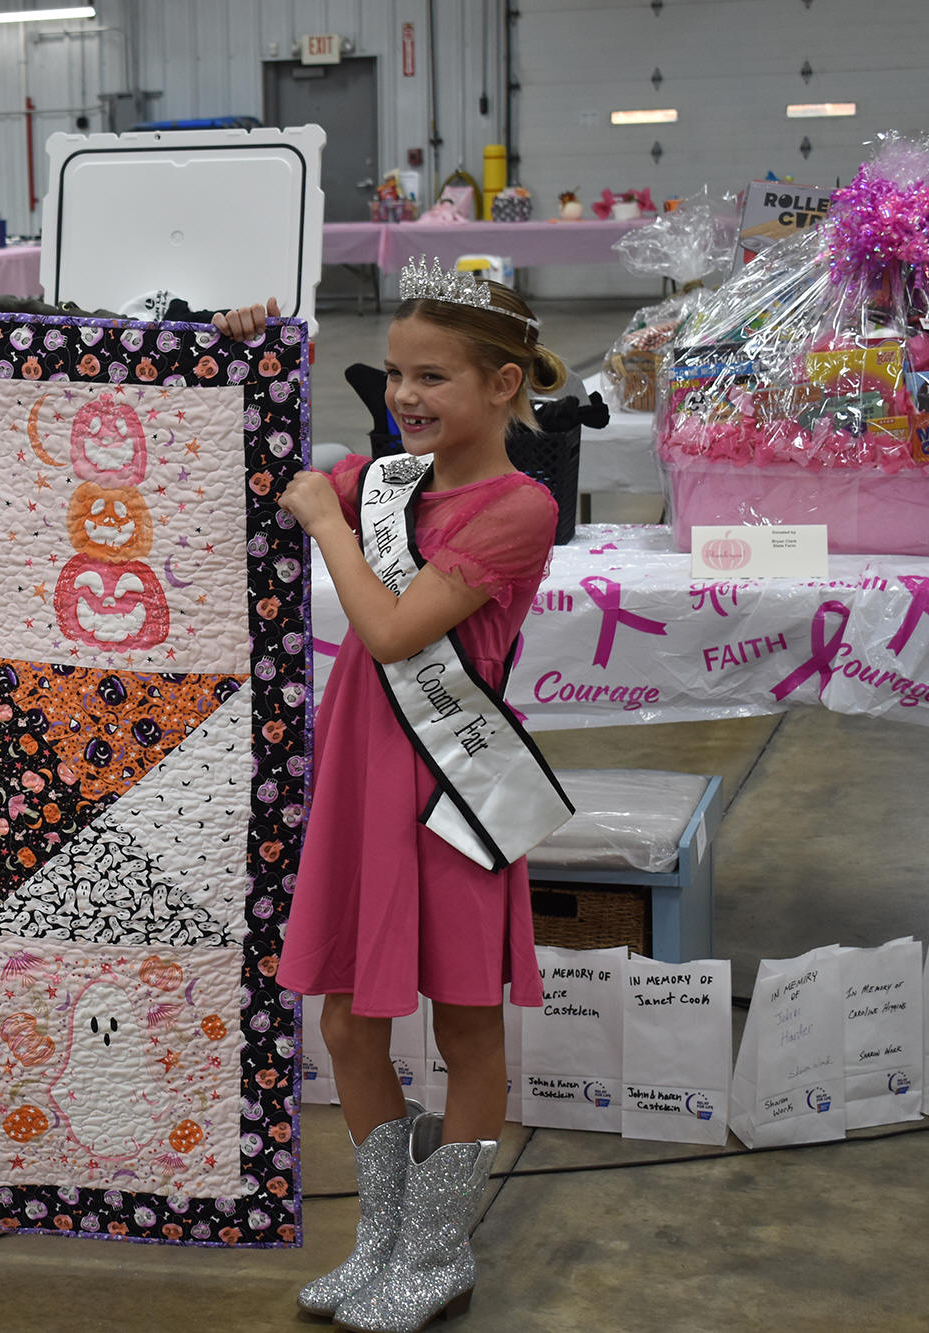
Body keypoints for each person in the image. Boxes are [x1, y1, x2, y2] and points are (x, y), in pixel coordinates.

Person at [216, 270, 566, 1331]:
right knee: (346, 1022)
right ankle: (379, 1237)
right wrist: (244, 345)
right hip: (363, 781)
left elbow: (393, 629)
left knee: (465, 1022)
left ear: (502, 383)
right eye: (396, 374)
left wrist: (328, 521)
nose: (406, 395)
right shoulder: (378, 482)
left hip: (449, 790)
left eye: (433, 377)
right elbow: (245, 470)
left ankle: (435, 1249)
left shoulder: (518, 507)